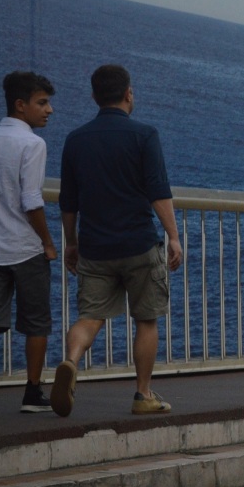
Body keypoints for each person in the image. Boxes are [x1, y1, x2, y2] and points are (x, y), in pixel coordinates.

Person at [51, 65, 184, 417]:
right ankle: (143, 395)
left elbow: (69, 201)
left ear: (95, 97)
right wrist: (173, 236)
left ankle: (70, 362)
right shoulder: (144, 135)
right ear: (128, 94)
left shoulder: (76, 139)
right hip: (139, 245)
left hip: (95, 248)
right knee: (146, 320)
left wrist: (72, 243)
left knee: (90, 317)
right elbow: (158, 192)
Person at [0, 72, 60, 417]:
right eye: (42, 103)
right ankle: (32, 392)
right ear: (20, 104)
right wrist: (48, 241)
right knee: (36, 322)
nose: (50, 110)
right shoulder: (33, 144)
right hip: (25, 248)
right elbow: (31, 200)